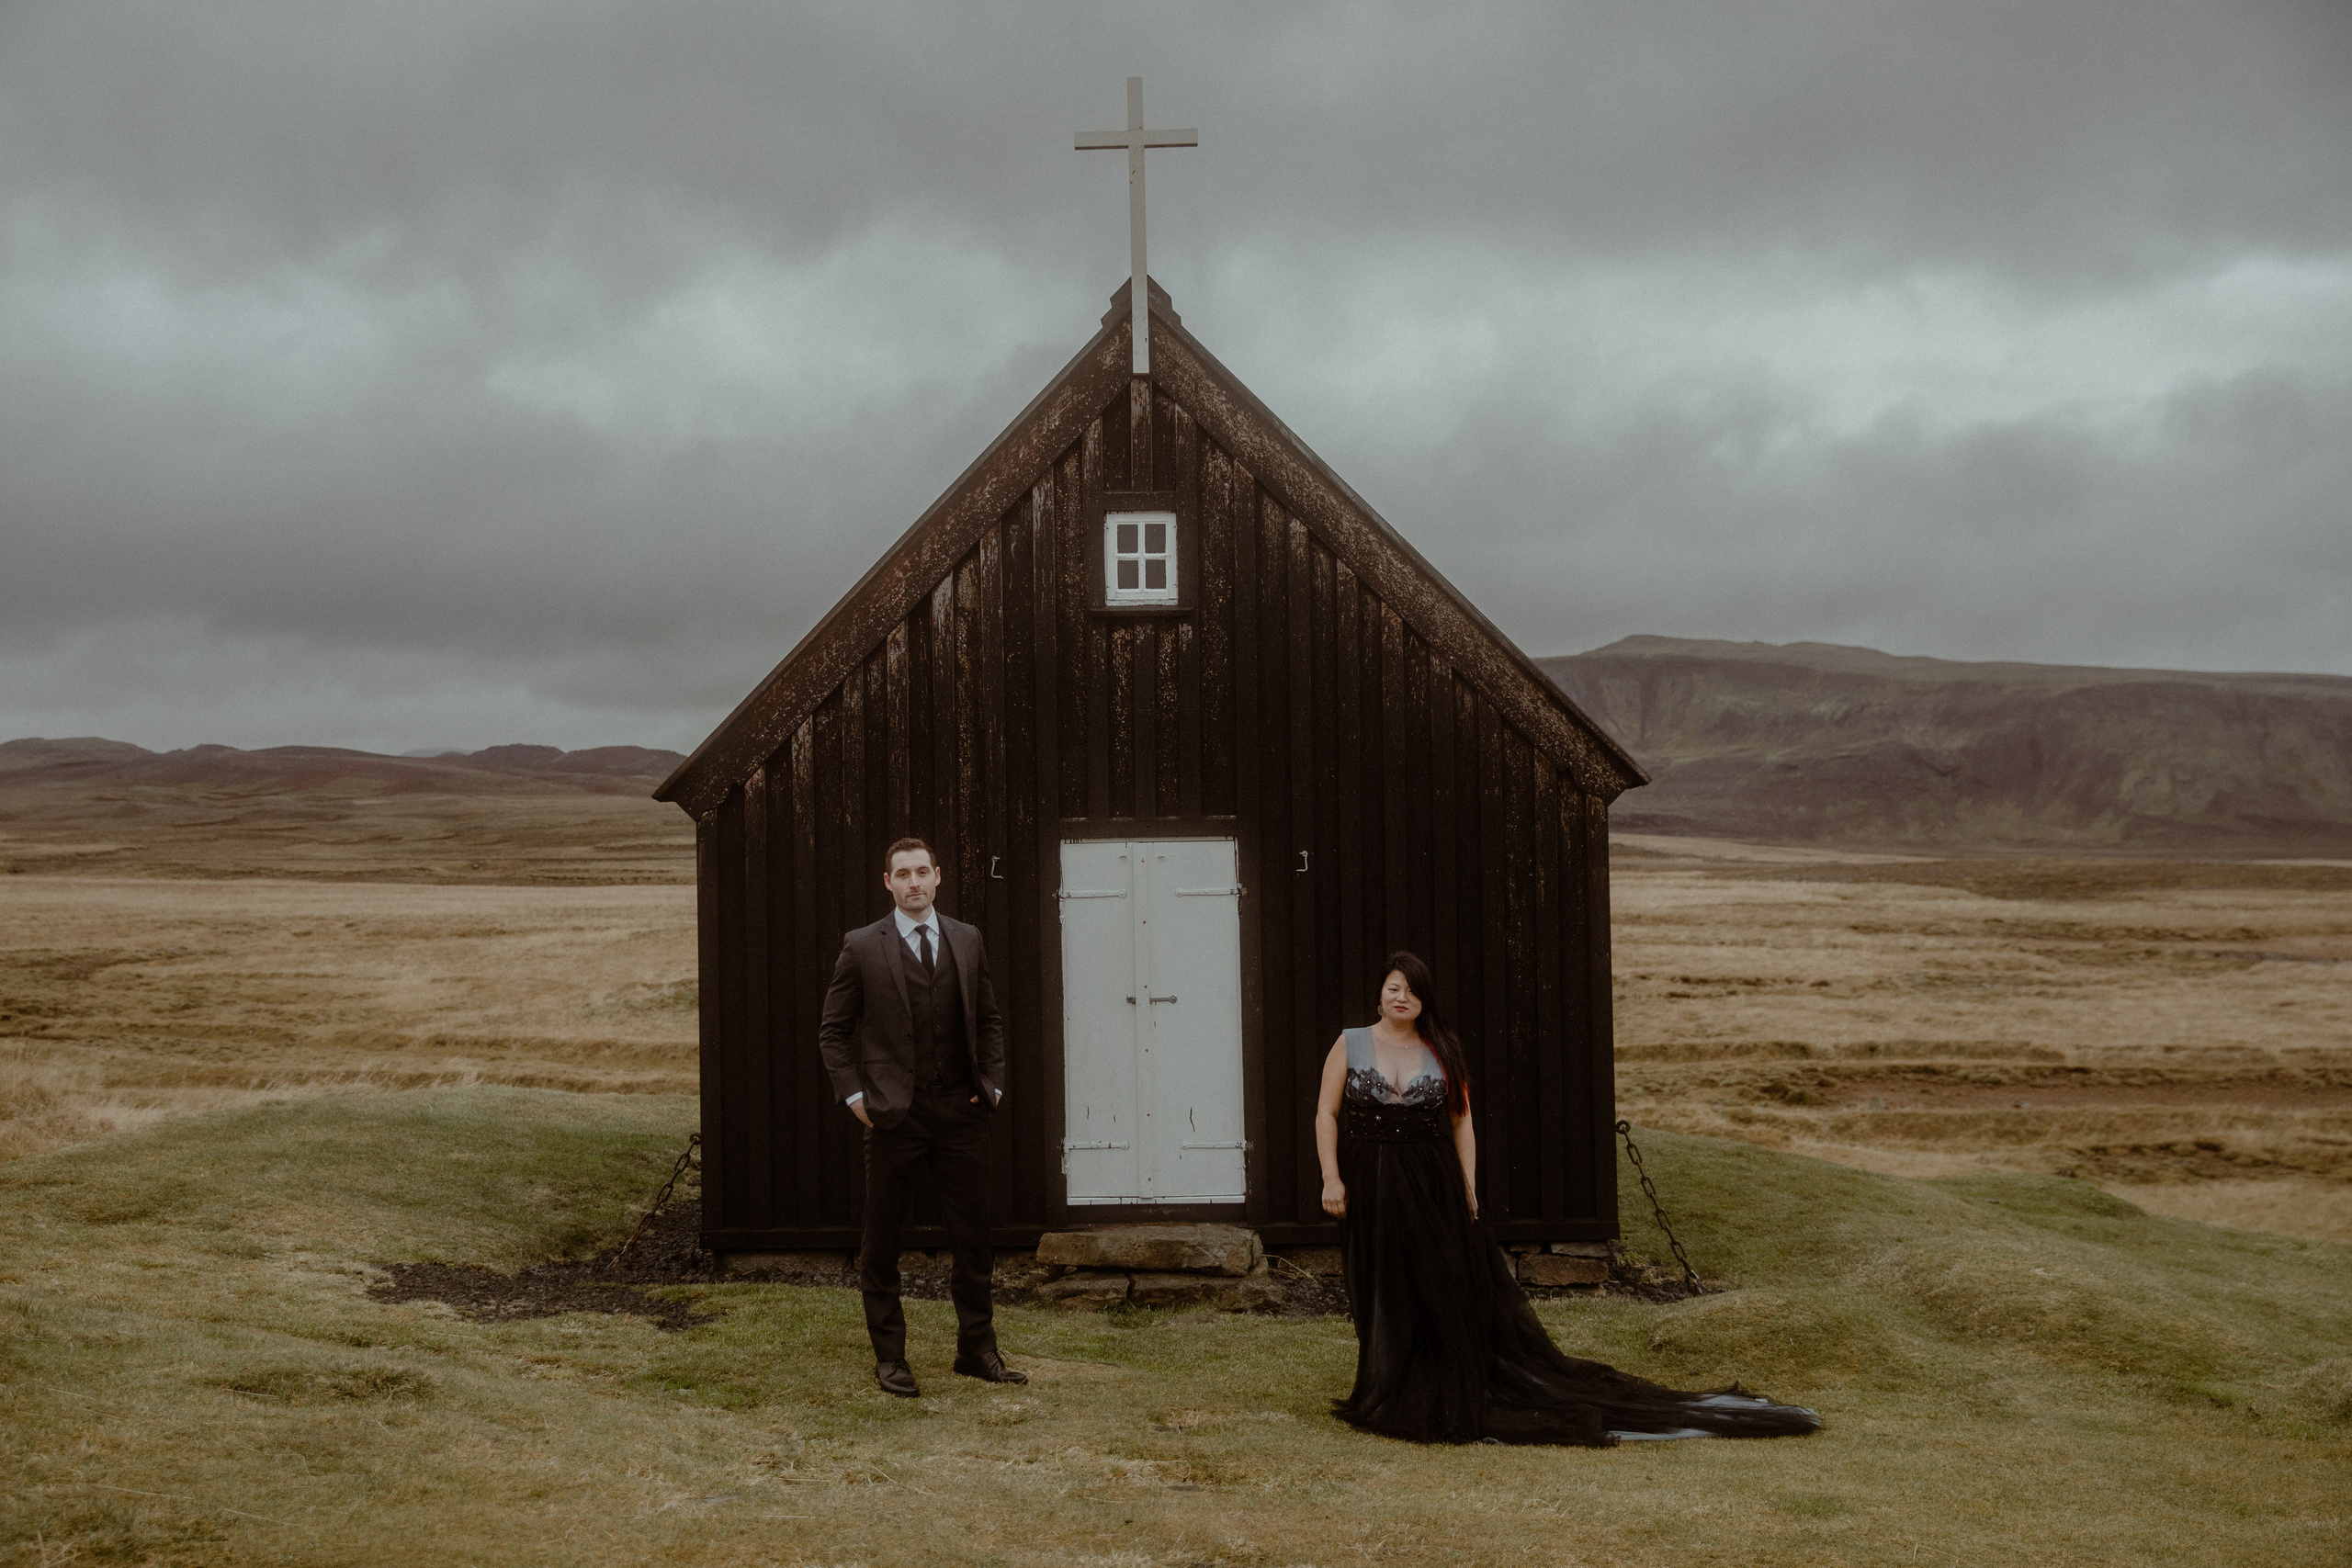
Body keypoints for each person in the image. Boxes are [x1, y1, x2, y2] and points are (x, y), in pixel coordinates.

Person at [1314, 951, 1819, 1446]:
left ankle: (1438, 1384)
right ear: (1380, 993)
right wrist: (1331, 1179)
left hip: (1433, 1183)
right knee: (1383, 1280)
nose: (1403, 997)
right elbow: (1326, 1114)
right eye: (1395, 987)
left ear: (1425, 1000)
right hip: (1371, 1178)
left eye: (1413, 990)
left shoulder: (1443, 1048)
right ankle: (1386, 1384)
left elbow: (1462, 1121)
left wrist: (1468, 1186)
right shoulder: (1350, 1043)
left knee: (1440, 1285)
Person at [819, 837, 1026, 1397]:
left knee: (974, 1237)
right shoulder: (862, 946)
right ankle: (890, 1359)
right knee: (882, 1240)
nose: (914, 882)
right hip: (892, 1116)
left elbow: (989, 1018)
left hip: (963, 1111)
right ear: (888, 883)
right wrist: (854, 1096)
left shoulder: (966, 938)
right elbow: (833, 1032)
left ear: (938, 877)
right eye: (902, 874)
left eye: (921, 872)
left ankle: (976, 1350)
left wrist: (995, 1084)